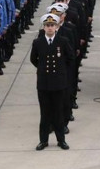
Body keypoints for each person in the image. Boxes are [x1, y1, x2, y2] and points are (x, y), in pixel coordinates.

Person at [30, 14, 74, 150]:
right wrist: (42, 69)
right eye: (47, 25)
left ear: (56, 27)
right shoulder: (38, 42)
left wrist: (61, 70)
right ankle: (43, 141)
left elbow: (70, 57)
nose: (50, 28)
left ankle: (61, 140)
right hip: (44, 83)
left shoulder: (63, 41)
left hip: (58, 83)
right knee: (45, 114)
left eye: (52, 25)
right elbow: (34, 59)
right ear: (44, 27)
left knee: (58, 113)